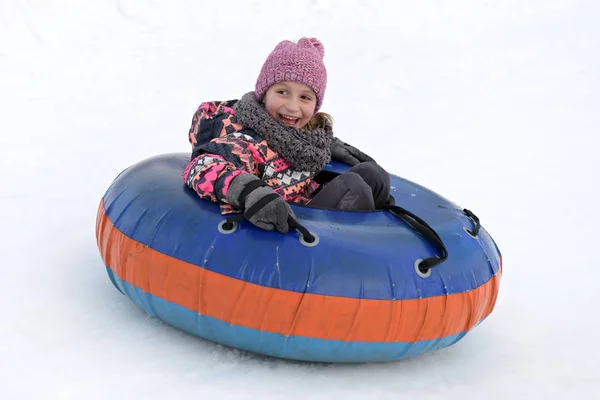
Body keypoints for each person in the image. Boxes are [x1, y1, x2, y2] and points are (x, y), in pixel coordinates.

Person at [182, 37, 392, 234]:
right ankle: (349, 264)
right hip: (283, 228)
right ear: (264, 94)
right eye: (282, 92)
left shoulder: (298, 136)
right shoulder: (249, 141)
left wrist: (326, 145)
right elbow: (202, 166)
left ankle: (384, 239)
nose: (293, 107)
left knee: (372, 174)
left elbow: (296, 140)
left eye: (305, 97)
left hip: (303, 202)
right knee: (353, 188)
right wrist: (250, 192)